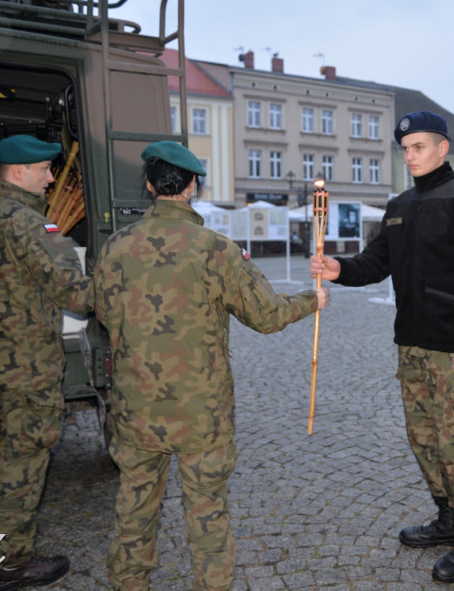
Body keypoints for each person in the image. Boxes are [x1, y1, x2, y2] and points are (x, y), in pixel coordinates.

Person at [93, 141, 329, 591]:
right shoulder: (216, 249)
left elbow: (104, 313)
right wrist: (311, 301)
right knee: (208, 513)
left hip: (136, 407)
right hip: (201, 412)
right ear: (193, 185)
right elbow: (266, 315)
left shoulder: (115, 247)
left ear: (148, 184)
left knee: (134, 508)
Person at [309, 110, 454, 583]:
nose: (411, 156)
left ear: (442, 148)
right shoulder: (400, 204)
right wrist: (340, 270)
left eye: (419, 147)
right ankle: (449, 516)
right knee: (424, 438)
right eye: (406, 148)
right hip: (410, 344)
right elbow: (377, 261)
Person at [0, 133, 91, 590]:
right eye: (46, 170)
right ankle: (10, 563)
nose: (51, 179)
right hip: (27, 370)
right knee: (23, 460)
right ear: (20, 172)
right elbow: (77, 296)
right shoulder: (30, 226)